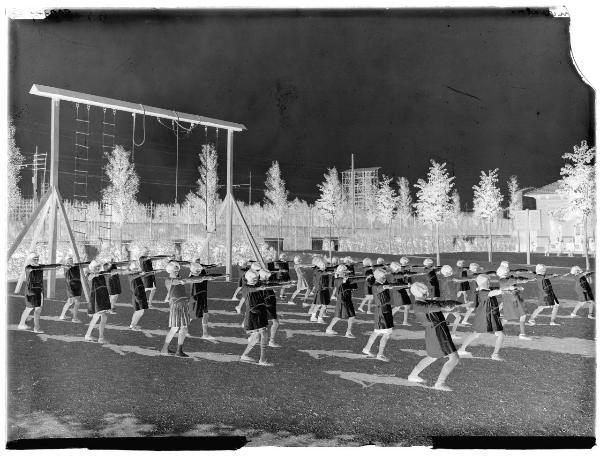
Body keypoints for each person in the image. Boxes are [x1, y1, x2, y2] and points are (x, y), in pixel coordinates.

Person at [407, 282, 461, 392]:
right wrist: (446, 306)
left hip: (436, 331)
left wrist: (458, 303)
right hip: (437, 333)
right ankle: (439, 383)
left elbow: (440, 304)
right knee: (454, 358)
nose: (428, 292)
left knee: (432, 356)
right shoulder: (419, 305)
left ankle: (412, 376)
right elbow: (434, 306)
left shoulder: (425, 302)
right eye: (425, 291)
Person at [161, 261, 209, 357]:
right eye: (174, 270)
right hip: (177, 306)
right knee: (177, 328)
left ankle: (168, 349)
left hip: (182, 305)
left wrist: (204, 278)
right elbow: (184, 281)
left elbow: (188, 283)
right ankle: (175, 350)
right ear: (169, 270)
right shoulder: (169, 280)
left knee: (179, 328)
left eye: (177, 270)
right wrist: (202, 278)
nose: (176, 271)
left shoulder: (178, 279)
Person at [458, 275, 505, 361]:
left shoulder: (484, 289)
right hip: (485, 316)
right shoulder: (483, 292)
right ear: (483, 283)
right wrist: (503, 290)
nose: (489, 282)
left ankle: (461, 349)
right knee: (476, 334)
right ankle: (495, 355)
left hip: (489, 315)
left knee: (498, 334)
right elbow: (492, 293)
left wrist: (509, 288)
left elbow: (494, 290)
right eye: (488, 281)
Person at [18, 252, 63, 333]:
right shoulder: (28, 267)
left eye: (37, 258)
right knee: (29, 309)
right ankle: (21, 324)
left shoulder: (40, 266)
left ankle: (36, 328)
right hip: (31, 292)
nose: (36, 260)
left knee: (38, 309)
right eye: (34, 258)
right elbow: (29, 269)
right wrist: (37, 268)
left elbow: (49, 266)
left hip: (39, 291)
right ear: (30, 259)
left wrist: (58, 266)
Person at [362, 269, 398, 362]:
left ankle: (367, 348)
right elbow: (382, 287)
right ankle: (380, 354)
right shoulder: (376, 286)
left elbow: (386, 286)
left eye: (385, 277)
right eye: (382, 277)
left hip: (382, 310)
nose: (384, 278)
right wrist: (387, 286)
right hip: (383, 311)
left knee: (377, 332)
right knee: (387, 333)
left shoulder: (380, 283)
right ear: (377, 277)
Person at [240, 269, 273, 366]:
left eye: (256, 279)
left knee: (256, 337)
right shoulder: (246, 287)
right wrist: (260, 288)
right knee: (263, 334)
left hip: (259, 313)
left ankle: (244, 355)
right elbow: (251, 289)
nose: (256, 281)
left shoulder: (256, 285)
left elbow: (263, 285)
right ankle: (262, 360)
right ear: (249, 278)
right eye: (254, 279)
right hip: (254, 315)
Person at [496, 266, 534, 340]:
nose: (508, 272)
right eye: (507, 271)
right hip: (512, 299)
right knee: (519, 315)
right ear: (505, 272)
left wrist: (518, 287)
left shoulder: (504, 279)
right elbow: (516, 281)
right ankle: (521, 334)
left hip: (511, 298)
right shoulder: (504, 280)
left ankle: (498, 330)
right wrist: (527, 280)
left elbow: (511, 285)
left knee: (511, 316)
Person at [325, 265, 358, 338]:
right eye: (344, 272)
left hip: (347, 299)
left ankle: (347, 332)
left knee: (350, 316)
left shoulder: (344, 279)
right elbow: (341, 281)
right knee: (340, 316)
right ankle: (346, 332)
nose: (346, 273)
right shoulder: (338, 280)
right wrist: (346, 279)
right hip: (342, 300)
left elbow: (349, 286)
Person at [84, 259, 113, 343]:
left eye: (99, 267)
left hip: (104, 297)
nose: (98, 268)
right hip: (97, 298)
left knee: (97, 318)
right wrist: (95, 274)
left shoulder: (101, 274)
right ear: (92, 267)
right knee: (103, 316)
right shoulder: (90, 274)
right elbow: (89, 277)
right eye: (96, 266)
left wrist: (109, 265)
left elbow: (108, 269)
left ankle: (88, 335)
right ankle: (101, 338)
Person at [438, 265, 464, 338]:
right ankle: (439, 334)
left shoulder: (444, 278)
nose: (451, 272)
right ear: (446, 272)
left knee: (457, 317)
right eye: (450, 271)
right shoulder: (447, 279)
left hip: (450, 301)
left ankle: (452, 334)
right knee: (443, 319)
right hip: (448, 302)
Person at [259, 268, 282, 347]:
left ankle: (254, 337)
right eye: (267, 276)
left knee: (264, 325)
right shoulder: (263, 284)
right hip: (268, 307)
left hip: (269, 306)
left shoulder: (264, 282)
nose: (269, 277)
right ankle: (271, 341)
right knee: (275, 323)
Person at [59, 252, 83, 323]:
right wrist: (62, 265)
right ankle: (74, 318)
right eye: (69, 259)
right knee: (77, 302)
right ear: (66, 261)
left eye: (71, 259)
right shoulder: (66, 267)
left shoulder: (76, 266)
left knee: (70, 302)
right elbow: (63, 266)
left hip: (78, 286)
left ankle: (62, 316)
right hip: (71, 287)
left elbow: (83, 265)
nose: (71, 260)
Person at [389, 261, 413, 326]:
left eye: (398, 269)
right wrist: (405, 277)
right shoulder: (392, 275)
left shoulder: (398, 273)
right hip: (398, 292)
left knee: (406, 306)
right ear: (394, 269)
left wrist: (407, 274)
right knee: (398, 307)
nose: (398, 270)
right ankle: (387, 318)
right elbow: (398, 283)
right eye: (397, 269)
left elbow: (402, 276)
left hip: (402, 291)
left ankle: (405, 321)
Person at [310, 259, 332, 323]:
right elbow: (322, 274)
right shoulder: (318, 272)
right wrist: (328, 273)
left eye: (325, 265)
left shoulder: (321, 271)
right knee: (321, 305)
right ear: (319, 266)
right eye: (323, 265)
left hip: (324, 290)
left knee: (321, 305)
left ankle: (315, 317)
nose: (325, 266)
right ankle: (318, 317)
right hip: (320, 290)